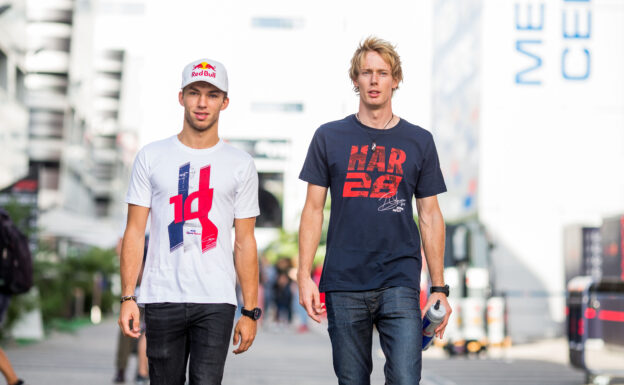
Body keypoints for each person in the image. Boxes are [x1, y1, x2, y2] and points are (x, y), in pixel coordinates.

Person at [297, 36, 452, 384]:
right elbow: (312, 210)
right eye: (366, 72)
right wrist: (303, 274)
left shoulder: (419, 141)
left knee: (406, 379)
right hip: (344, 281)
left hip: (399, 279)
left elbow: (429, 215)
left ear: (395, 80)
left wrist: (440, 288)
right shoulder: (329, 137)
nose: (374, 80)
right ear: (355, 79)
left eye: (382, 73)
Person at [118, 58, 262, 385]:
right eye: (194, 92)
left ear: (225, 102)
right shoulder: (151, 156)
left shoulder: (241, 164)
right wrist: (128, 296)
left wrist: (250, 311)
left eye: (212, 95)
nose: (202, 102)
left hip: (216, 298)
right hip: (161, 294)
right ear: (180, 97)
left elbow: (245, 241)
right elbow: (135, 230)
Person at [113, 233, 149, 384]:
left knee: (147, 332)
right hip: (137, 290)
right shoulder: (135, 216)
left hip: (152, 290)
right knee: (130, 330)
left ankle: (140, 370)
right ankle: (125, 369)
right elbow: (121, 248)